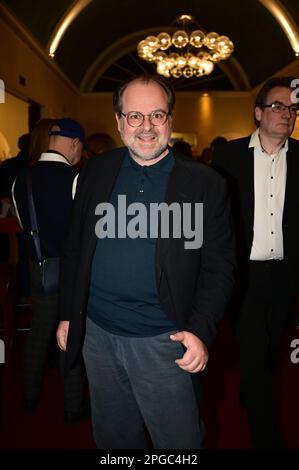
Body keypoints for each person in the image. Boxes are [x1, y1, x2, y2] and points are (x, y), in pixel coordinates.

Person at [56, 75, 235, 449]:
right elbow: (74, 248)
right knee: (114, 439)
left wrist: (201, 329)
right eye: (135, 116)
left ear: (170, 118)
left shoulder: (205, 183)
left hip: (163, 339)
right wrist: (69, 313)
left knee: (179, 443)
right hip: (97, 335)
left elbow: (220, 267)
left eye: (157, 115)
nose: (147, 127)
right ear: (119, 121)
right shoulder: (95, 171)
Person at [212, 76, 299, 448]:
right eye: (278, 106)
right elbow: (215, 217)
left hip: (285, 275)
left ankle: (252, 391)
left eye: (292, 109)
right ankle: (267, 436)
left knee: (271, 348)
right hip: (243, 276)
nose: (287, 114)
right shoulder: (228, 156)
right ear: (258, 113)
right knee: (253, 351)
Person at [13, 118, 89, 424]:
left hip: (38, 268)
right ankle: (72, 406)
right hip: (70, 271)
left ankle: (29, 398)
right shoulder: (75, 179)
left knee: (38, 333)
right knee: (70, 333)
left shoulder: (21, 180)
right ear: (73, 143)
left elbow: (23, 226)